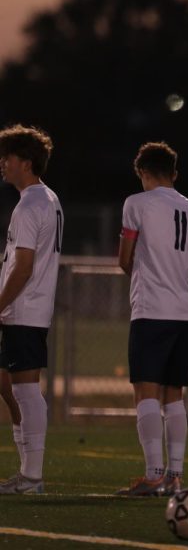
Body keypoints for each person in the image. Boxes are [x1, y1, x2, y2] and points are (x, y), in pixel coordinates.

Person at [115, 142, 188, 496]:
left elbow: (125, 259)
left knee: (146, 391)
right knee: (174, 396)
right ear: (175, 173)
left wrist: (140, 273)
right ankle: (175, 475)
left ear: (142, 172)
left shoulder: (136, 204)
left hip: (152, 308)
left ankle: (153, 474)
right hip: (185, 311)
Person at [0, 125, 62, 495]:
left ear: (25, 162)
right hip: (26, 309)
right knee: (11, 386)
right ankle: (27, 474)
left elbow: (23, 266)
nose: (2, 164)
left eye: (7, 157)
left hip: (24, 309)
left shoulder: (30, 204)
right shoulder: (46, 198)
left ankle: (32, 476)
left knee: (25, 390)